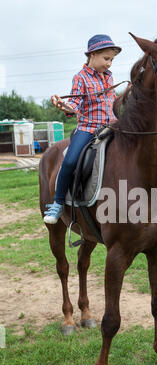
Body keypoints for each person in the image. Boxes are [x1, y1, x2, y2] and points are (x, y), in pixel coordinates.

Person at [44, 34, 122, 224]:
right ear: (92, 55)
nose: (109, 64)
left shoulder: (109, 77)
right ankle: (58, 203)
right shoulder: (80, 77)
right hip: (88, 128)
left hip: (111, 126)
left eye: (111, 59)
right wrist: (65, 107)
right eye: (106, 59)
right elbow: (75, 104)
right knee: (70, 161)